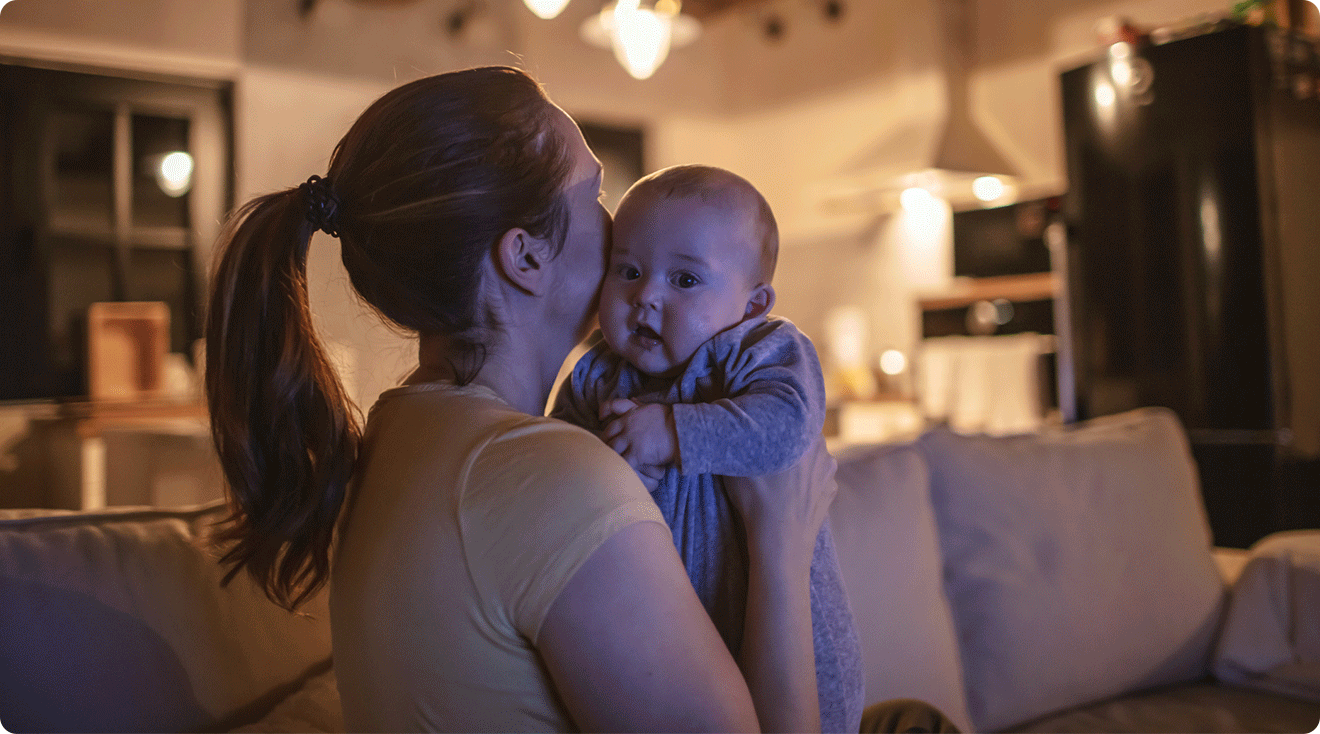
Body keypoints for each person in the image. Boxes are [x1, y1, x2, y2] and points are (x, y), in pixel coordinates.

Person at [203, 66, 833, 733]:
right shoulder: (554, 478)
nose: (615, 220)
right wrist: (781, 541)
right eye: (595, 194)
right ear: (525, 257)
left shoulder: (396, 434)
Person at [551, 164, 864, 733]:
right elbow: (565, 472)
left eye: (685, 280)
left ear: (750, 305)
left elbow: (788, 426)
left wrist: (674, 430)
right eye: (628, 270)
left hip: (793, 643)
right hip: (673, 647)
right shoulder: (597, 375)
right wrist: (614, 461)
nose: (646, 295)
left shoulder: (759, 349)